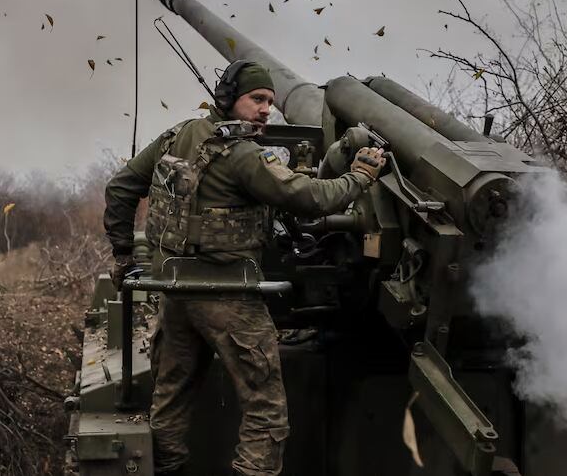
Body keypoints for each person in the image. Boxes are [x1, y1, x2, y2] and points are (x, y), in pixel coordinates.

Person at [102, 60, 386, 476]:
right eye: (257, 99)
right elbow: (309, 197)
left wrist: (124, 255)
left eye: (270, 101)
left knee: (170, 400)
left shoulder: (176, 136)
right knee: (266, 411)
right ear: (228, 98)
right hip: (227, 298)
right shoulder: (243, 155)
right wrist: (359, 176)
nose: (266, 109)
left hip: (174, 291)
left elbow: (121, 186)